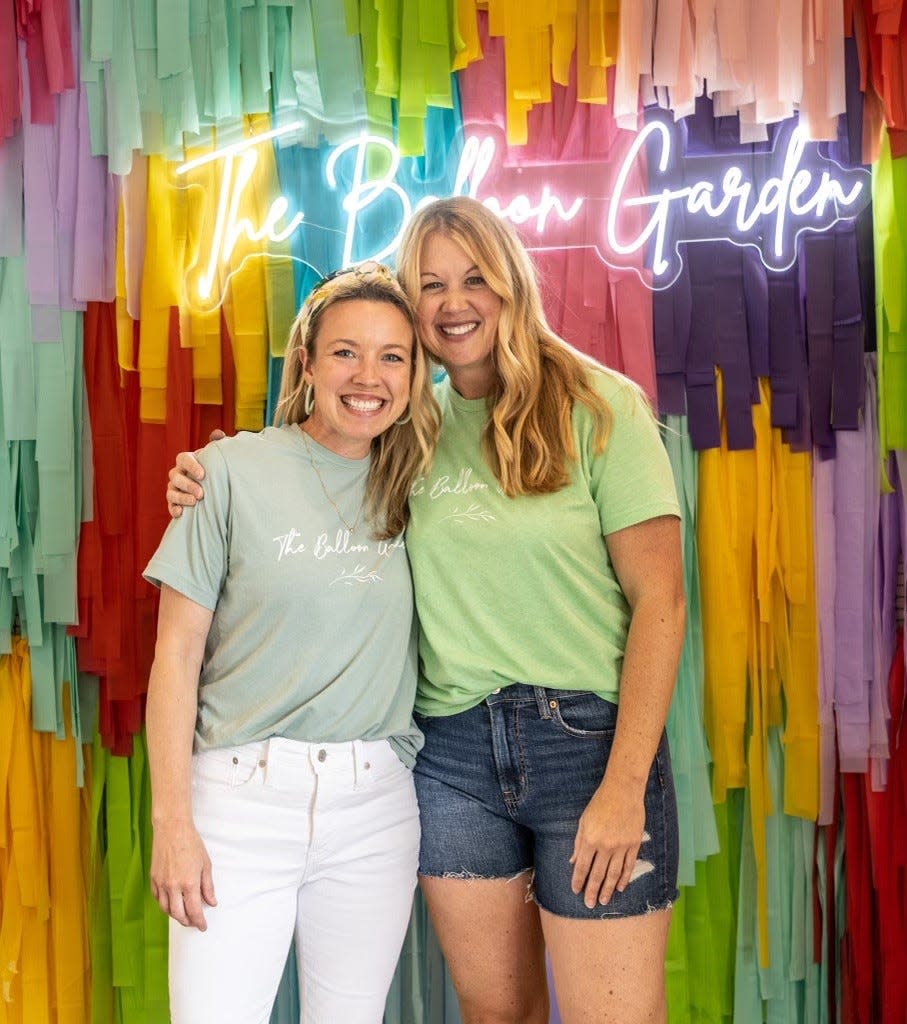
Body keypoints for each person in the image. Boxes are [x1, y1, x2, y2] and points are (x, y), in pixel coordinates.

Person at [166, 197, 686, 1024]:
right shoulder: (409, 423)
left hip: (584, 747)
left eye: (474, 278)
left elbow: (661, 601)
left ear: (511, 281)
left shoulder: (601, 407)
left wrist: (625, 784)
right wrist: (208, 473)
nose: (453, 303)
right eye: (432, 283)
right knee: (494, 1011)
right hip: (449, 758)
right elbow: (309, 467)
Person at [144, 263, 440, 1024]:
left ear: (414, 376)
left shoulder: (427, 486)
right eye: (345, 352)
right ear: (306, 362)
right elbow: (175, 656)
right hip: (237, 805)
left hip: (375, 806)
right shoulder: (226, 473)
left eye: (392, 356)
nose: (367, 376)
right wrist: (172, 824)